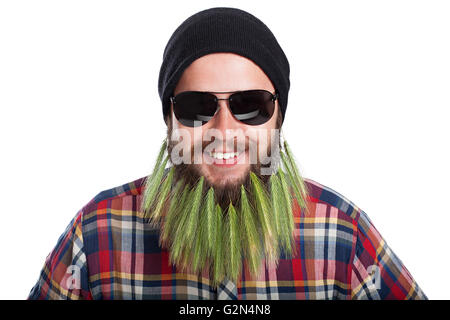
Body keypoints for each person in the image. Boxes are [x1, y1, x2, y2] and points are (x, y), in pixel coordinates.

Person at [28, 7, 427, 300]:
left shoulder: (343, 236)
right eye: (197, 107)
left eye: (250, 104)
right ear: (170, 121)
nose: (223, 131)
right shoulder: (98, 234)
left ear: (279, 118)